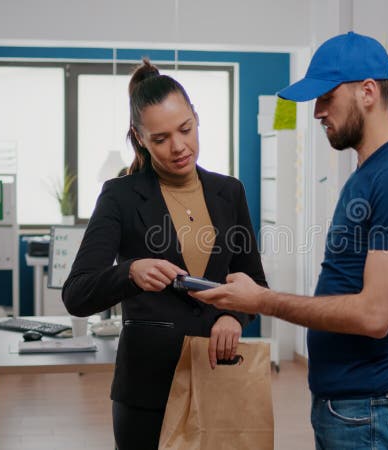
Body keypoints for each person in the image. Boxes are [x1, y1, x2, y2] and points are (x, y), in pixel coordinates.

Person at [192, 31, 388, 449]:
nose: (316, 112)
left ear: (367, 92)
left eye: (326, 97)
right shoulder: (370, 173)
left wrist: (263, 301)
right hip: (348, 406)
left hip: (368, 411)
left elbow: (374, 316)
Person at [62, 58, 266, 450]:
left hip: (217, 375)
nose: (178, 147)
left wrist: (233, 316)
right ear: (139, 138)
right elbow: (77, 293)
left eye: (185, 129)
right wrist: (131, 272)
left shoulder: (230, 192)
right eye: (160, 139)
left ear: (196, 118)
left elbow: (252, 282)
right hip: (146, 389)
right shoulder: (119, 195)